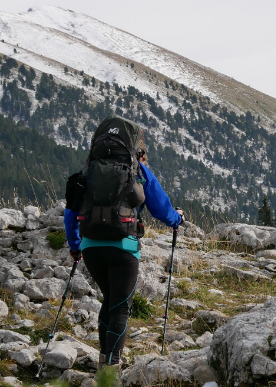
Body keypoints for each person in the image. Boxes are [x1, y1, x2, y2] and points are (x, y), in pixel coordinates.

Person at [63, 117, 183, 367]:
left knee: (110, 300)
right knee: (120, 306)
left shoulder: (88, 171)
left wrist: (75, 246)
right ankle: (111, 369)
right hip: (124, 247)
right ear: (138, 150)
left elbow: (70, 213)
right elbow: (161, 207)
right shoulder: (138, 170)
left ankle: (104, 361)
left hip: (91, 247)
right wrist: (176, 220)